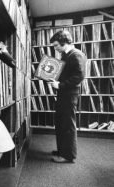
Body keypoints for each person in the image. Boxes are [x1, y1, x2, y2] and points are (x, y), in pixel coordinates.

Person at [48, 30, 86, 163]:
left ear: (65, 42)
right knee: (60, 123)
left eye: (56, 45)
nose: (55, 48)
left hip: (69, 95)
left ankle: (68, 155)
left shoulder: (76, 55)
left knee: (68, 125)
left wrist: (60, 85)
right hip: (64, 94)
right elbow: (65, 73)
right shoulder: (66, 55)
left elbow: (79, 77)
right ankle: (62, 150)